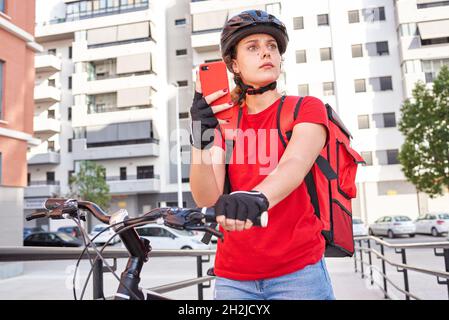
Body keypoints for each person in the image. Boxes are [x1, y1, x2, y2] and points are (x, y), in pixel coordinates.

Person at [189, 10, 335, 300]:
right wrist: (198, 136)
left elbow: (293, 165)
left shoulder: (305, 108)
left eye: (271, 46)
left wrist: (256, 198)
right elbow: (206, 197)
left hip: (298, 272)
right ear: (234, 64)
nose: (265, 53)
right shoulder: (225, 119)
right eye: (253, 47)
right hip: (233, 276)